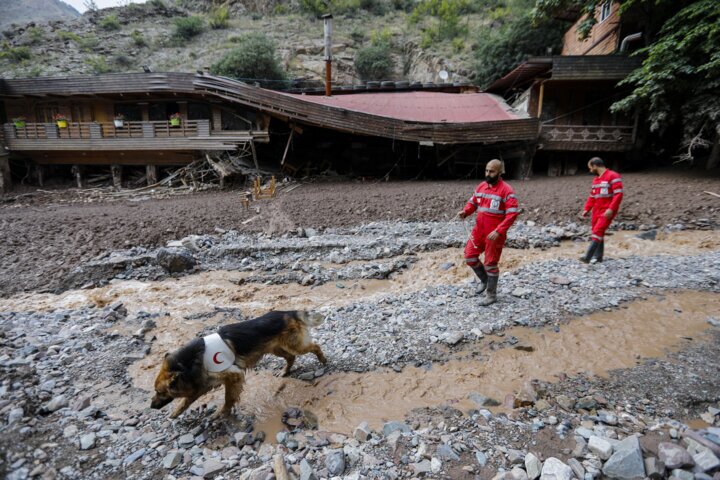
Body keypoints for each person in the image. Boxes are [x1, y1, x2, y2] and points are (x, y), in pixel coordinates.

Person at [457, 159, 519, 306]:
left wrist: (499, 231)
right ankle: (484, 281)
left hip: (494, 234)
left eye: (491, 171)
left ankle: (491, 295)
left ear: (500, 172)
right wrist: (465, 212)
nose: (488, 174)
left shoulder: (507, 190)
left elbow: (512, 214)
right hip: (479, 230)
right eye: (486, 170)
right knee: (470, 256)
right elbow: (473, 202)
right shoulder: (481, 186)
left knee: (490, 263)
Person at [579, 157, 624, 263]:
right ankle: (599, 257)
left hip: (607, 210)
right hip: (596, 210)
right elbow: (592, 196)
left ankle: (587, 257)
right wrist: (587, 209)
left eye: (590, 168)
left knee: (598, 231)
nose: (590, 170)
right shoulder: (596, 180)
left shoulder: (613, 176)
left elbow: (618, 194)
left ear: (595, 166)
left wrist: (611, 209)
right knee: (597, 232)